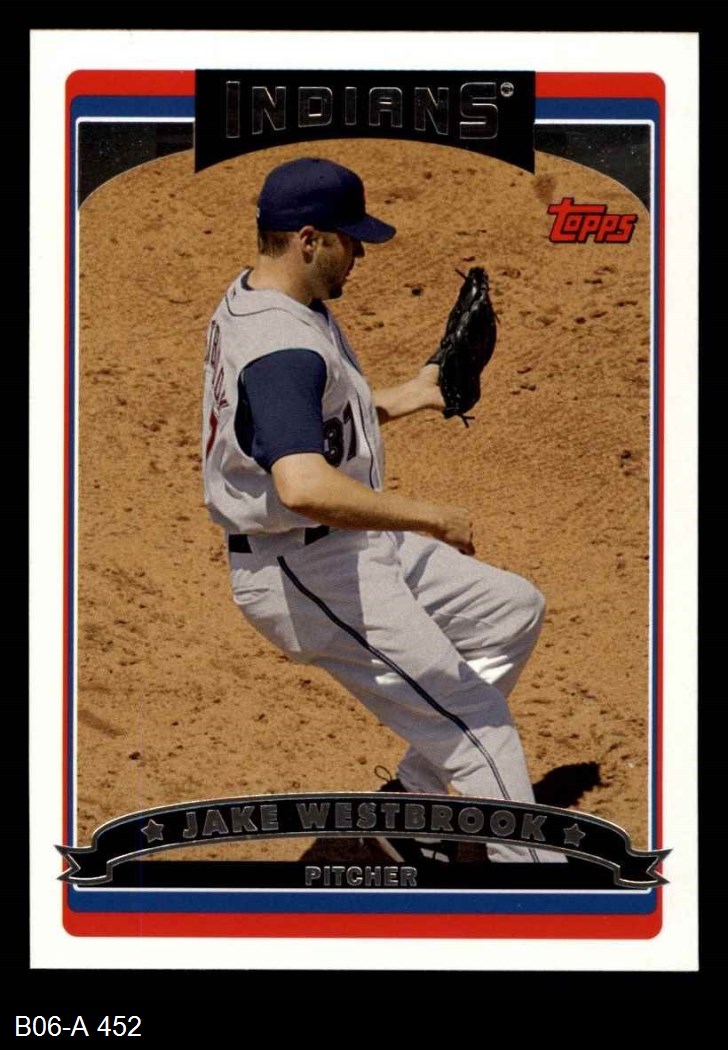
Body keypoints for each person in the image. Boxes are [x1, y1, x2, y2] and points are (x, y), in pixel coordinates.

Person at [202, 157, 564, 863]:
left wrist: (414, 393)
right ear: (309, 239)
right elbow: (303, 484)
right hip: (306, 570)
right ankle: (532, 886)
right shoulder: (280, 347)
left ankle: (410, 810)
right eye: (351, 239)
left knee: (510, 611)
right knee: (479, 728)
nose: (360, 254)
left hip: (344, 543)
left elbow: (304, 419)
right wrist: (430, 516)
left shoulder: (267, 299)